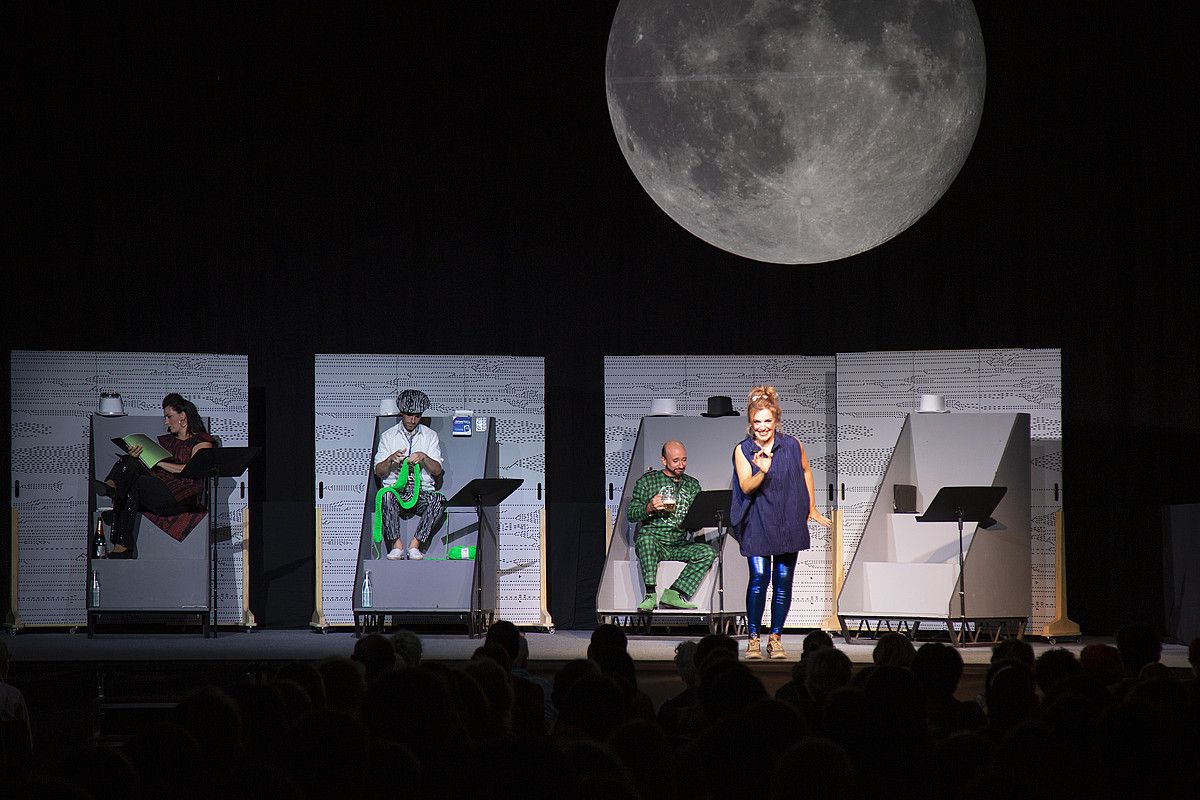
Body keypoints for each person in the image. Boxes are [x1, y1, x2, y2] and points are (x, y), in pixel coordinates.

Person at [730, 385, 831, 659]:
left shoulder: (792, 444)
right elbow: (746, 486)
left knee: (783, 580)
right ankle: (753, 638)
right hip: (758, 520)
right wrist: (762, 470)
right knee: (759, 578)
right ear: (750, 423)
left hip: (787, 517)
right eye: (757, 422)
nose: (762, 427)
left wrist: (811, 506)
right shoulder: (743, 450)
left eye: (767, 421)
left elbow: (807, 471)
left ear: (776, 421)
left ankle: (775, 638)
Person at [96, 393, 215, 558]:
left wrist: (157, 463)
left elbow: (190, 469)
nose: (166, 422)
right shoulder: (168, 441)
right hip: (163, 486)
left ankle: (115, 495)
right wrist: (141, 457)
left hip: (183, 495)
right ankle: (122, 544)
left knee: (134, 482)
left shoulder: (202, 441)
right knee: (130, 460)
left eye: (169, 416)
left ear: (183, 416)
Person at [627, 440, 715, 611]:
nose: (681, 465)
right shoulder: (647, 482)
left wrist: (697, 519)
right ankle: (650, 594)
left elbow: (696, 522)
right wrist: (649, 507)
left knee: (707, 552)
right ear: (664, 460)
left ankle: (674, 593)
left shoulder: (692, 484)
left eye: (684, 460)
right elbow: (631, 514)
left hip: (678, 543)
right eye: (676, 461)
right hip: (655, 541)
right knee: (645, 540)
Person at [373, 389, 446, 560]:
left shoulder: (430, 436)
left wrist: (424, 457)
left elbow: (436, 471)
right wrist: (390, 459)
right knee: (386, 496)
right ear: (401, 413)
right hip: (397, 492)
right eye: (409, 415)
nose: (412, 420)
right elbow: (378, 471)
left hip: (421, 492)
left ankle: (415, 545)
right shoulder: (388, 436)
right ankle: (396, 545)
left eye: (417, 416)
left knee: (439, 500)